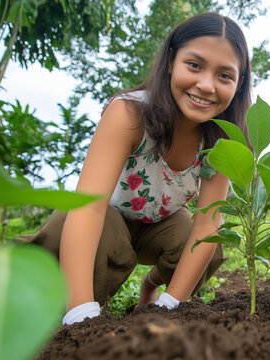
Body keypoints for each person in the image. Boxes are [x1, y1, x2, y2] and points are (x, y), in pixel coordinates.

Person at [18, 12, 251, 325]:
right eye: (194, 65)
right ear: (171, 61)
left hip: (162, 224)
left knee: (208, 242)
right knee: (79, 227)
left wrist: (171, 305)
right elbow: (88, 209)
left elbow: (206, 224)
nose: (206, 85)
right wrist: (80, 313)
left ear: (238, 85)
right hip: (107, 218)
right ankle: (64, 311)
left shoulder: (222, 139)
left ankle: (150, 286)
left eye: (224, 75)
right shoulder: (129, 113)